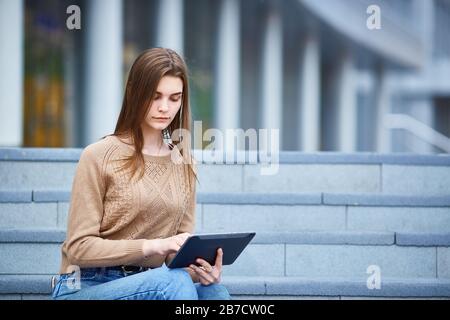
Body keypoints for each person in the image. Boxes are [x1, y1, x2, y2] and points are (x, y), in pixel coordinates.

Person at [51, 47, 231, 300]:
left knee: (215, 291)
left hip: (152, 282)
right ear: (135, 93)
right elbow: (79, 248)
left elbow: (174, 257)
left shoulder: (184, 162)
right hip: (86, 284)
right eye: (155, 96)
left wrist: (201, 270)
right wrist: (153, 246)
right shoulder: (98, 155)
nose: (164, 108)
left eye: (174, 98)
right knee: (171, 282)